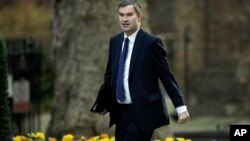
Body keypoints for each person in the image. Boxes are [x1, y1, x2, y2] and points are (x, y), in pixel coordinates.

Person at [93, 0, 190, 141]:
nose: (124, 19)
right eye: (121, 15)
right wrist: (105, 102)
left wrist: (180, 108)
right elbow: (110, 74)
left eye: (129, 15)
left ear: (139, 17)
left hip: (143, 112)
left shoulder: (152, 43)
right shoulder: (115, 41)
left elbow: (166, 77)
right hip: (120, 112)